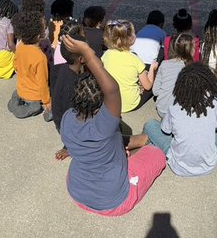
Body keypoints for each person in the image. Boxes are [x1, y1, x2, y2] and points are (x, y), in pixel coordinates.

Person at [56, 35, 164, 217]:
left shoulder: (67, 118)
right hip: (112, 200)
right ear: (102, 105)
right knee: (157, 155)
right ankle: (139, 145)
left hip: (76, 189)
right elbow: (112, 89)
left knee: (112, 142)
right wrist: (88, 53)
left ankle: (139, 141)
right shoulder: (105, 123)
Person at [142, 62, 217, 177]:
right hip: (209, 165)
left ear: (180, 86)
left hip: (179, 166)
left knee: (150, 125)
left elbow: (165, 131)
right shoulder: (213, 104)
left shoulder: (174, 108)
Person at [102, 20, 153, 113]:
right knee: (151, 82)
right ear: (130, 39)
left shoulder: (106, 55)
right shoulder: (135, 59)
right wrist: (153, 68)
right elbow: (148, 86)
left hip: (110, 103)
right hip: (130, 104)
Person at [9, 10, 49, 119]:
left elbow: (15, 65)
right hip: (34, 95)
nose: (45, 30)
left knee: (20, 93)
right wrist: (47, 102)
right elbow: (42, 82)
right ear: (37, 35)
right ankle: (24, 109)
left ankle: (17, 98)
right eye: (44, 29)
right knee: (37, 107)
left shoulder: (20, 46)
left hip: (21, 88)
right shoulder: (40, 57)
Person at [153, 33, 194, 121]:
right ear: (191, 50)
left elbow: (155, 91)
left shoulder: (164, 64)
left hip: (162, 110)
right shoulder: (191, 69)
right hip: (180, 113)